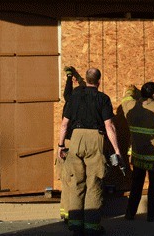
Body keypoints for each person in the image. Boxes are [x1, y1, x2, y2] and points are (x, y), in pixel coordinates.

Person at [58, 68, 122, 236]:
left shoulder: (74, 97)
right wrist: (116, 150)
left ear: (86, 80)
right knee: (94, 182)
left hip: (76, 139)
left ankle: (75, 224)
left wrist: (60, 145)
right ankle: (92, 226)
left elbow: (64, 124)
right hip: (95, 139)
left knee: (77, 182)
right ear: (99, 81)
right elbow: (109, 126)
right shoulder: (103, 99)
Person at [122, 82, 154, 222]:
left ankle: (130, 213)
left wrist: (130, 89)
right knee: (153, 186)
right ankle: (152, 214)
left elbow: (126, 99)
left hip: (138, 155)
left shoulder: (130, 106)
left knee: (136, 185)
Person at [57, 66, 86, 222]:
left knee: (68, 181)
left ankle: (66, 213)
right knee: (78, 181)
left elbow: (66, 93)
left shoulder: (70, 101)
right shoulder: (82, 106)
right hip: (77, 143)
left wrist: (70, 77)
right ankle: (76, 214)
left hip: (67, 144)